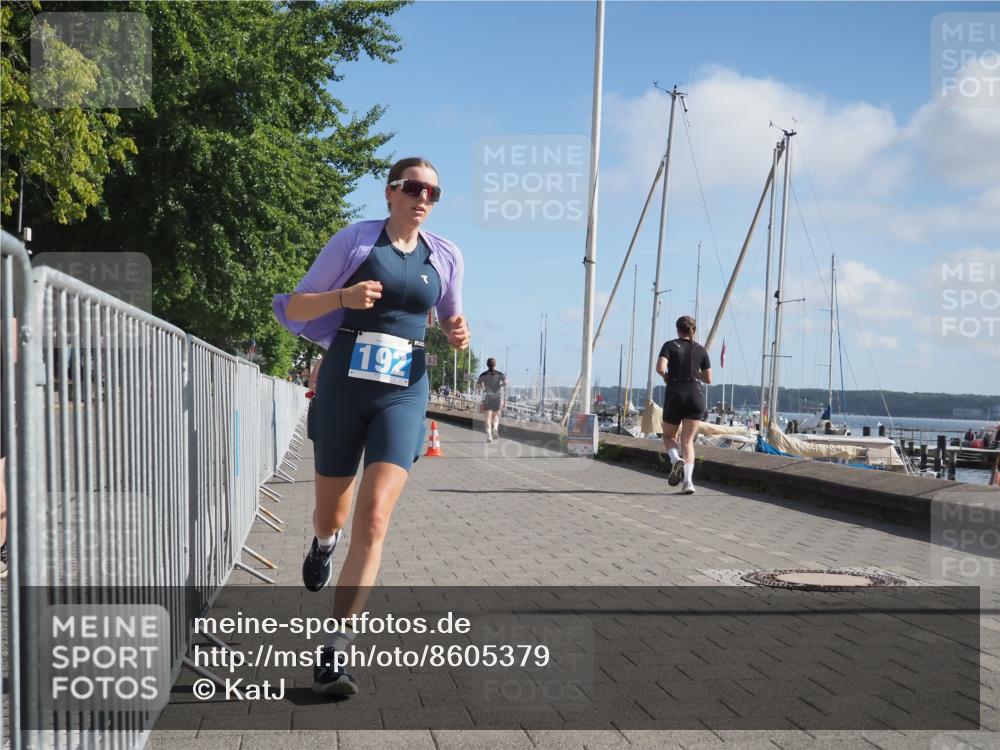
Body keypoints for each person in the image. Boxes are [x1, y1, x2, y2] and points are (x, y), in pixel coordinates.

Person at [272, 157, 469, 697]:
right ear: (390, 193)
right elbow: (293, 307)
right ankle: (321, 541)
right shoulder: (355, 242)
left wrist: (457, 333)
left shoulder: (446, 255)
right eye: (413, 187)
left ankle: (335, 647)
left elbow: (452, 315)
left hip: (405, 390)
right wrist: (342, 297)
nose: (422, 196)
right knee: (332, 511)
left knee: (376, 516)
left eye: (433, 190)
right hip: (344, 385)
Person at [655, 316, 712, 495]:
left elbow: (660, 368)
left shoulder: (669, 345)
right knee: (687, 442)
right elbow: (709, 378)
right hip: (696, 395)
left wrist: (666, 376)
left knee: (668, 436)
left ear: (678, 329)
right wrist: (696, 373)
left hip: (676, 393)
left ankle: (675, 459)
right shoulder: (701, 350)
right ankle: (688, 482)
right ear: (693, 330)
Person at [475, 358, 507, 442]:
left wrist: (482, 386)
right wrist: (500, 386)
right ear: (495, 364)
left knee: (488, 417)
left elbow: (477, 385)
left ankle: (489, 436)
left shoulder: (483, 375)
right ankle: (495, 428)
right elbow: (506, 382)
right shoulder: (500, 374)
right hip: (497, 396)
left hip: (487, 396)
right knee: (496, 415)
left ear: (487, 364)